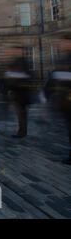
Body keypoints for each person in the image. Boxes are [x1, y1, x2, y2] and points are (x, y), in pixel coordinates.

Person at [45, 35, 71, 165]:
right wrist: (47, 92)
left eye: (64, 42)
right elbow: (54, 77)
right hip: (64, 100)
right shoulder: (62, 59)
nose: (61, 45)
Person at [1, 47, 33, 139]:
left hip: (22, 93)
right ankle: (21, 131)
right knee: (19, 113)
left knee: (21, 113)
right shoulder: (14, 61)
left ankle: (22, 132)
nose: (15, 52)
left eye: (17, 50)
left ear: (22, 52)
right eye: (14, 50)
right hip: (15, 92)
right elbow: (8, 75)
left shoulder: (25, 62)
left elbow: (29, 76)